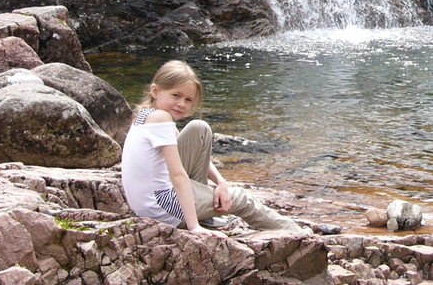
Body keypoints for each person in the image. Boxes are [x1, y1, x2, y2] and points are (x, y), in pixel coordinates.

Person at [121, 60, 304, 238]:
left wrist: (221, 183)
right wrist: (193, 226)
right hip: (161, 206)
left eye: (188, 99)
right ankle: (299, 234)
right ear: (155, 91)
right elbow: (178, 175)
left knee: (199, 129)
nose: (182, 104)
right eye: (175, 95)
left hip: (146, 202)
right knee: (241, 199)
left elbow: (184, 156)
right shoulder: (161, 119)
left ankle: (205, 213)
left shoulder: (146, 114)